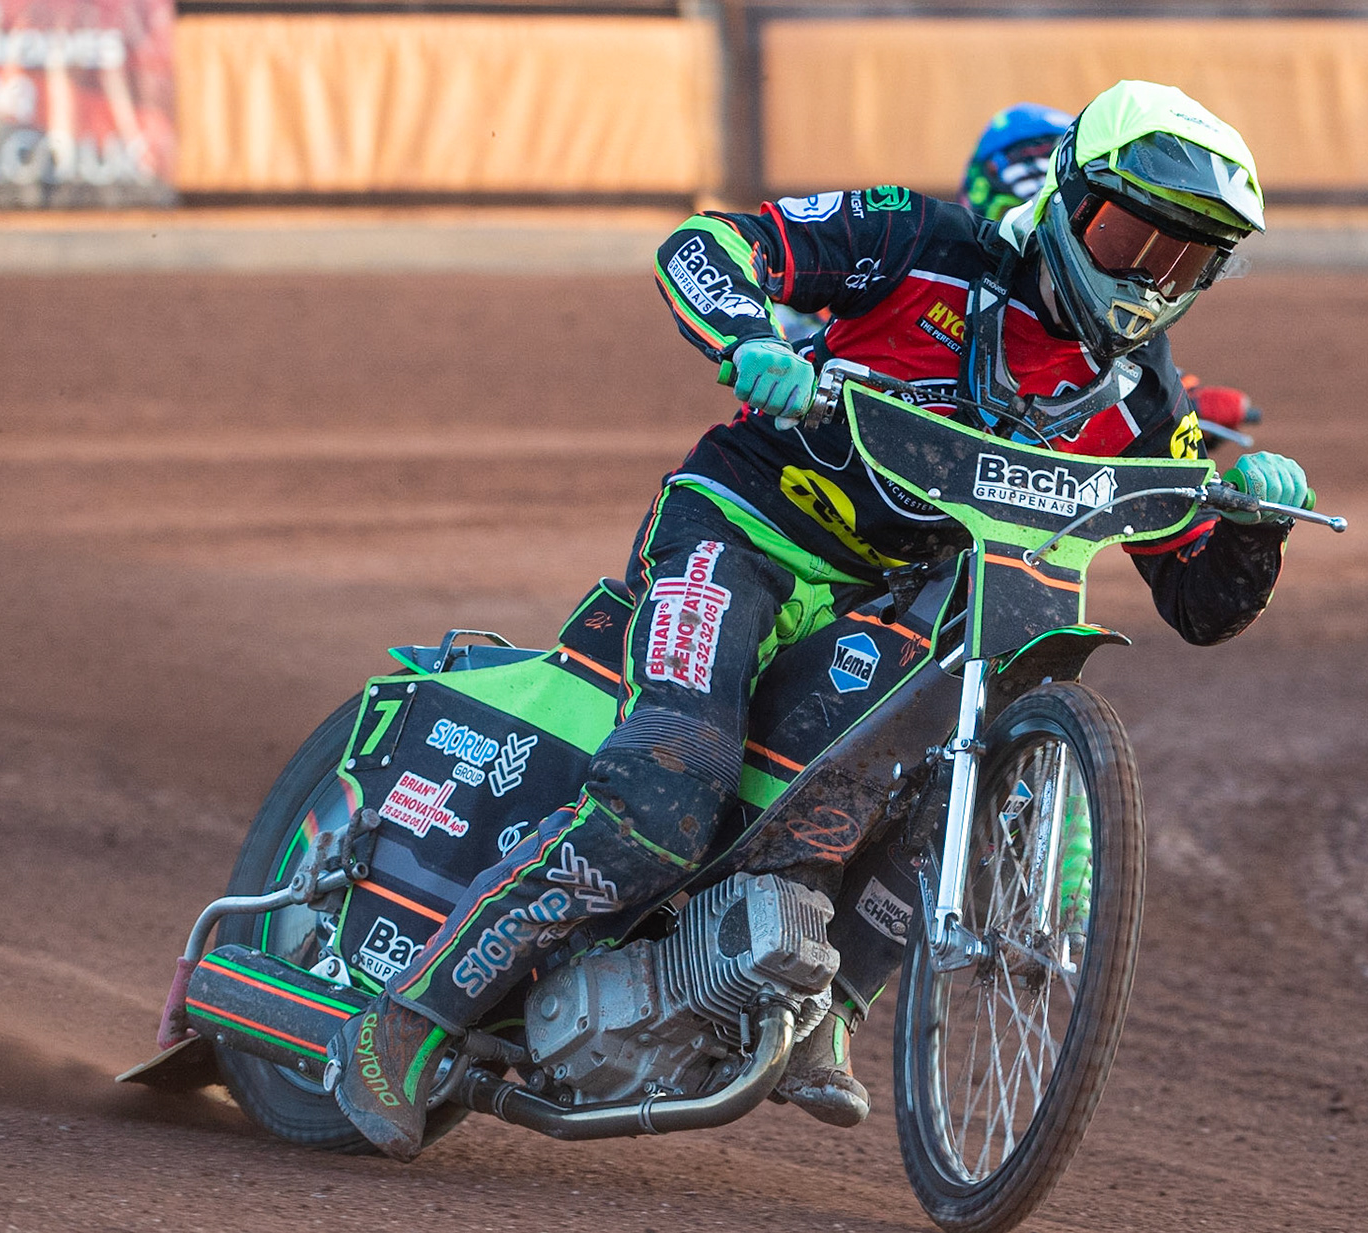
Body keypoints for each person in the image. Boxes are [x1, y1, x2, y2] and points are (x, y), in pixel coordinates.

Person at [328, 80, 1316, 1160]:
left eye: (1183, 260)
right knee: (666, 794)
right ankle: (410, 1014)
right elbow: (707, 247)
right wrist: (750, 338)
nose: (1146, 277)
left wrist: (1257, 524)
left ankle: (821, 1012)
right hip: (742, 532)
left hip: (886, 605)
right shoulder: (920, 239)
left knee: (942, 768)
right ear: (1071, 198)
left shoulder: (1137, 396)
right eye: (1130, 235)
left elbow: (1201, 603)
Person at [962, 101, 1261, 440]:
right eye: (1010, 208)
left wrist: (1180, 402)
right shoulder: (937, 253)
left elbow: (1134, 363)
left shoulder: (1151, 374)